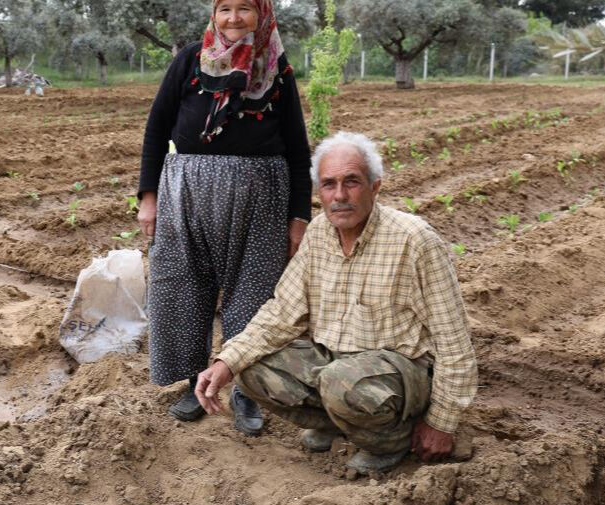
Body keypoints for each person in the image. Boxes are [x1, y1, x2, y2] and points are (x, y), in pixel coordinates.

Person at [193, 131, 478, 474]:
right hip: (336, 368)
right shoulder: (318, 233)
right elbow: (282, 312)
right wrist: (226, 362)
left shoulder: (415, 240)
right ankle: (341, 424)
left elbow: (454, 341)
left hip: (402, 375)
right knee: (251, 367)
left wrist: (441, 423)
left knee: (341, 382)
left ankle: (392, 439)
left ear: (375, 187)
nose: (340, 196)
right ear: (320, 192)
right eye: (329, 184)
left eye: (351, 182)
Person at [137, 0, 312, 436]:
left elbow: (298, 149)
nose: (234, 18)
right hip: (185, 196)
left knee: (253, 295)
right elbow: (156, 130)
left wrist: (298, 218)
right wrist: (149, 199)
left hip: (261, 200)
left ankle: (246, 389)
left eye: (244, 8)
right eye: (225, 9)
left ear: (262, 13)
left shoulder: (276, 70)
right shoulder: (190, 61)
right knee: (181, 285)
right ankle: (193, 381)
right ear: (214, 13)